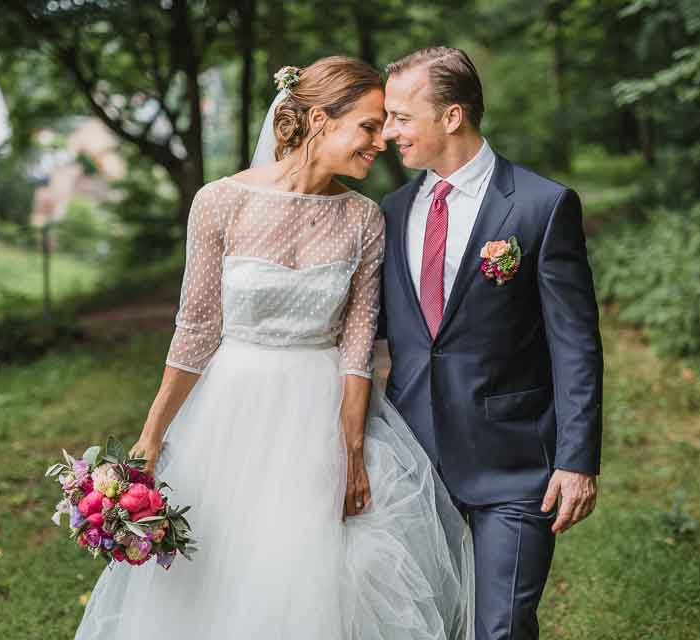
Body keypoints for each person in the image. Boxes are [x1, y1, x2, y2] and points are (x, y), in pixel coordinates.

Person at [74, 56, 473, 640]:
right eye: (368, 125)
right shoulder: (219, 202)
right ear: (318, 119)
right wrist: (153, 434)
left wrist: (353, 451)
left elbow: (358, 343)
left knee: (313, 568)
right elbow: (196, 329)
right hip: (231, 412)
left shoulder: (364, 218)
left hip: (320, 414)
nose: (381, 140)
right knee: (219, 567)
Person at [379, 47, 604, 640]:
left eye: (401, 116)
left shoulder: (540, 205)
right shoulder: (391, 211)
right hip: (412, 465)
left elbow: (575, 344)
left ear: (451, 117)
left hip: (514, 464)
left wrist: (577, 459)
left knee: (499, 628)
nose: (388, 131)